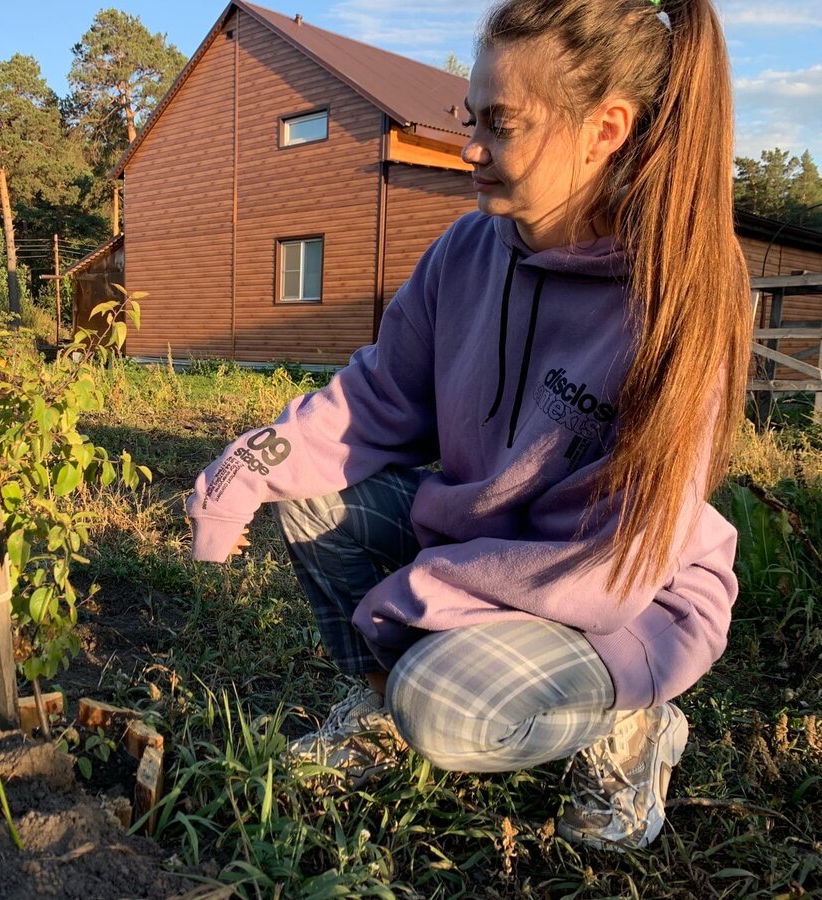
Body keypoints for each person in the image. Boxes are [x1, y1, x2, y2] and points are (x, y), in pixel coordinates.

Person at [186, 0, 751, 852]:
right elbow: (374, 401)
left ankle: (631, 729)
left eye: (501, 124)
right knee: (312, 499)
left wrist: (414, 597)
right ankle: (377, 704)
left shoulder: (682, 297)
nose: (470, 149)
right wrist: (254, 462)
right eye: (470, 118)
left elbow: (604, 570)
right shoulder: (466, 252)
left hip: (622, 593)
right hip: (491, 557)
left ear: (605, 128)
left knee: (440, 702)